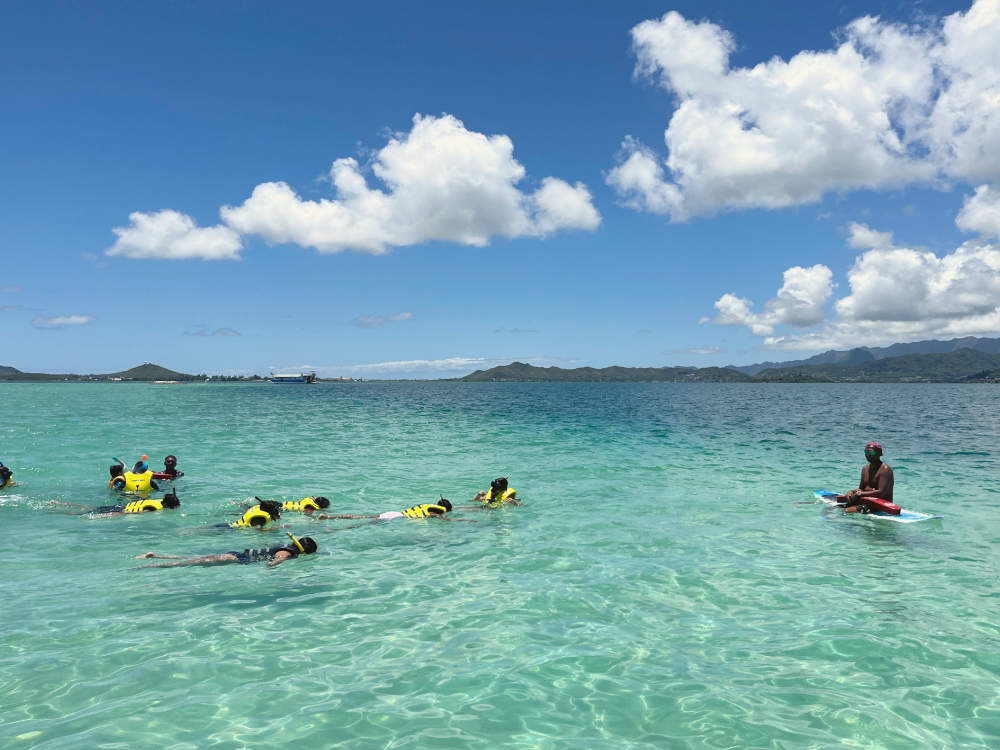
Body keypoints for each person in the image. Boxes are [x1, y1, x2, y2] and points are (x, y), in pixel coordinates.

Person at [135, 533, 317, 568]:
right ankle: (153, 565)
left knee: (195, 558)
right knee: (190, 562)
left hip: (237, 553)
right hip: (235, 558)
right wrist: (273, 566)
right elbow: (277, 558)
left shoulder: (286, 545)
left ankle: (155, 556)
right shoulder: (288, 552)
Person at [318, 498, 475, 525]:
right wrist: (464, 520)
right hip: (394, 519)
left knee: (360, 517)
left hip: (394, 513)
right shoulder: (435, 513)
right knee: (363, 524)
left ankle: (329, 517)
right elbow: (447, 520)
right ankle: (333, 527)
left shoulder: (427, 507)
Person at [844, 441, 894, 513]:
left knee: (847, 511)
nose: (868, 455)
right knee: (836, 507)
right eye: (866, 452)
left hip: (880, 505)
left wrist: (859, 494)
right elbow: (861, 489)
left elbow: (881, 492)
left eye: (871, 453)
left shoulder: (885, 469)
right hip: (866, 501)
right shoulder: (865, 469)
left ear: (879, 453)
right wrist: (851, 491)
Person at [50, 491, 181, 517]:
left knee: (90, 508)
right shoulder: (153, 509)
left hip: (121, 506)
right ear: (169, 505)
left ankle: (59, 503)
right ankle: (59, 512)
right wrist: (108, 516)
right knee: (85, 514)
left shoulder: (158, 500)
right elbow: (130, 513)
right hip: (120, 510)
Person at [218, 499, 283, 528]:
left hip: (227, 526)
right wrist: (275, 528)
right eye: (277, 512)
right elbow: (257, 528)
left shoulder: (259, 510)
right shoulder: (261, 518)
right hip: (228, 529)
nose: (279, 514)